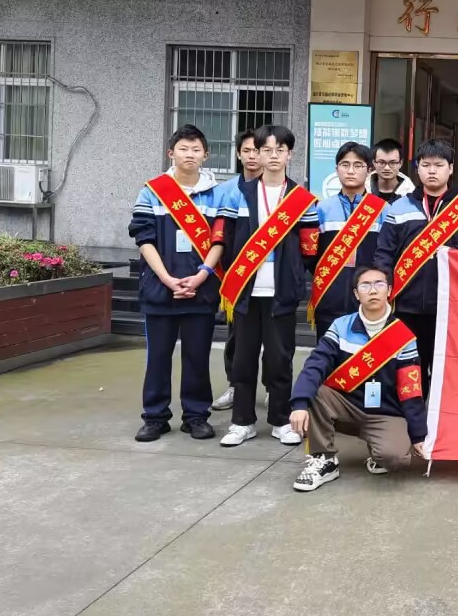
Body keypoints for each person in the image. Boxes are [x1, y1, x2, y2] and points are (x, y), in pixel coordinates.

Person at [218, 124, 319, 448]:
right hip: (245, 291)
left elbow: (310, 247)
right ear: (257, 154)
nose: (273, 156)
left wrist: (293, 274)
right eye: (266, 150)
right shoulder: (239, 193)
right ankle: (242, 422)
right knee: (243, 359)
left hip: (282, 293)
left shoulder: (302, 199)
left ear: (290, 155)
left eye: (280, 150)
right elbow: (224, 237)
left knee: (279, 360)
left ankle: (280, 420)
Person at [128, 124, 227, 442]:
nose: (190, 154)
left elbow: (221, 240)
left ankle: (196, 416)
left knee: (197, 357)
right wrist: (167, 279)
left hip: (201, 289)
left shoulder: (218, 194)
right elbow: (143, 239)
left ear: (206, 155)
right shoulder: (152, 191)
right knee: (157, 358)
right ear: (171, 153)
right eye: (184, 148)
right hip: (160, 289)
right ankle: (155, 417)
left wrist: (201, 275)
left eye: (196, 149)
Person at [289, 266, 426, 491]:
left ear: (389, 290)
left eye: (379, 284)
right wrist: (299, 404)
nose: (373, 290)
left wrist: (419, 435)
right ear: (356, 293)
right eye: (365, 285)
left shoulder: (403, 337)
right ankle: (325, 459)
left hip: (384, 412)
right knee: (316, 392)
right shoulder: (340, 326)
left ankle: (378, 449)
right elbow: (315, 365)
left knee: (396, 458)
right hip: (346, 406)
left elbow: (410, 391)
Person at [373, 138, 458, 392]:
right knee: (408, 368)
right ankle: (412, 413)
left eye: (438, 165)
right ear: (417, 168)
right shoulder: (398, 207)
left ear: (451, 168)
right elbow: (384, 254)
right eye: (426, 165)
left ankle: (437, 415)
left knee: (445, 371)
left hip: (450, 307)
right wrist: (383, 288)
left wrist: (452, 253)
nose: (432, 171)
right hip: (406, 306)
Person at [212, 130, 264, 413]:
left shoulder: (280, 191)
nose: (253, 156)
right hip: (238, 278)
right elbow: (219, 235)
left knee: (275, 341)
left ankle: (272, 389)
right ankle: (235, 385)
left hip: (270, 279)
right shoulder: (226, 191)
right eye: (247, 151)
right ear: (238, 154)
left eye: (258, 150)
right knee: (236, 337)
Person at [311, 141, 384, 338]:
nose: (351, 171)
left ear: (369, 170)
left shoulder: (382, 210)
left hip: (368, 300)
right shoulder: (321, 209)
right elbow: (311, 255)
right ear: (336, 169)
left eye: (358, 165)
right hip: (329, 298)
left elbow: (386, 254)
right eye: (345, 165)